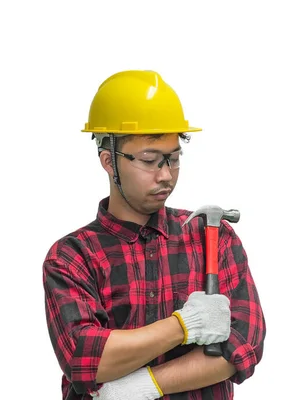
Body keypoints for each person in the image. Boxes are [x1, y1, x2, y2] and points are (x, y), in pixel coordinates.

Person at [42, 70, 266, 400]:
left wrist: (149, 383)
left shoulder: (212, 237)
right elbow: (86, 358)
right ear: (109, 161)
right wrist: (184, 325)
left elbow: (243, 344)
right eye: (149, 160)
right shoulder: (72, 257)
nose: (166, 175)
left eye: (173, 159)